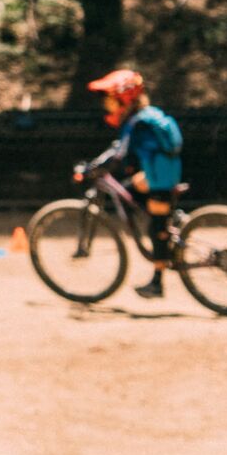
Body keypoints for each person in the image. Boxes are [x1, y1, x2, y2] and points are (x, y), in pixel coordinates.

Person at [83, 67, 184, 300]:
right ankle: (168, 226)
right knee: (127, 192)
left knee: (156, 229)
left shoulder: (138, 122)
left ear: (124, 98)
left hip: (159, 181)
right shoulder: (148, 115)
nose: (106, 107)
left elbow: (118, 152)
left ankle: (157, 283)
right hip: (159, 176)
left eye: (109, 101)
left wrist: (93, 168)